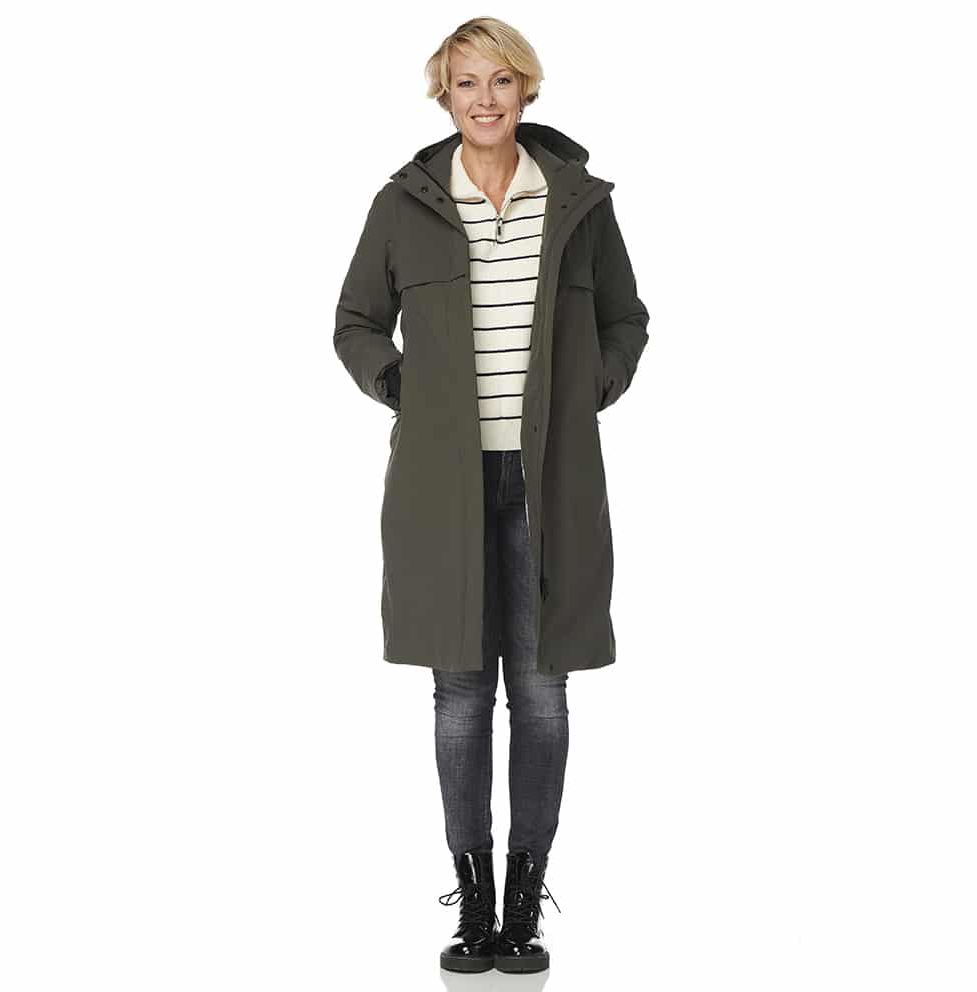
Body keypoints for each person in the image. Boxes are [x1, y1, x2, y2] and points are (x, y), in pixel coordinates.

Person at [333, 17, 650, 975]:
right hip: (443, 483)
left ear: (526, 91)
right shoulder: (404, 204)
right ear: (445, 94)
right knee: (461, 694)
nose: (484, 99)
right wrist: (403, 387)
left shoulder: (578, 202)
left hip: (553, 480)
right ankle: (473, 904)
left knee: (543, 692)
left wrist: (592, 385)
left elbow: (627, 317)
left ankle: (524, 904)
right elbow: (354, 321)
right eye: (466, 82)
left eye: (500, 81)